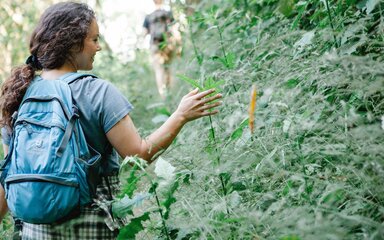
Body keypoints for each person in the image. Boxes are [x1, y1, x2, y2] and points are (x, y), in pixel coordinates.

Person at [0, 2, 221, 239]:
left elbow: (8, 173)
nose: (99, 47)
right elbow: (138, 153)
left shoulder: (19, 94)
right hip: (90, 227)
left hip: (35, 231)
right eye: (94, 39)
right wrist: (180, 116)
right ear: (74, 43)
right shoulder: (98, 92)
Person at [143, 0, 182, 99]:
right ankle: (171, 94)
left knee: (159, 70)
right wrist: (179, 45)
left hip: (155, 45)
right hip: (167, 44)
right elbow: (174, 29)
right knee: (168, 68)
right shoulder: (167, 13)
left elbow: (144, 33)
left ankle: (163, 96)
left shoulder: (148, 17)